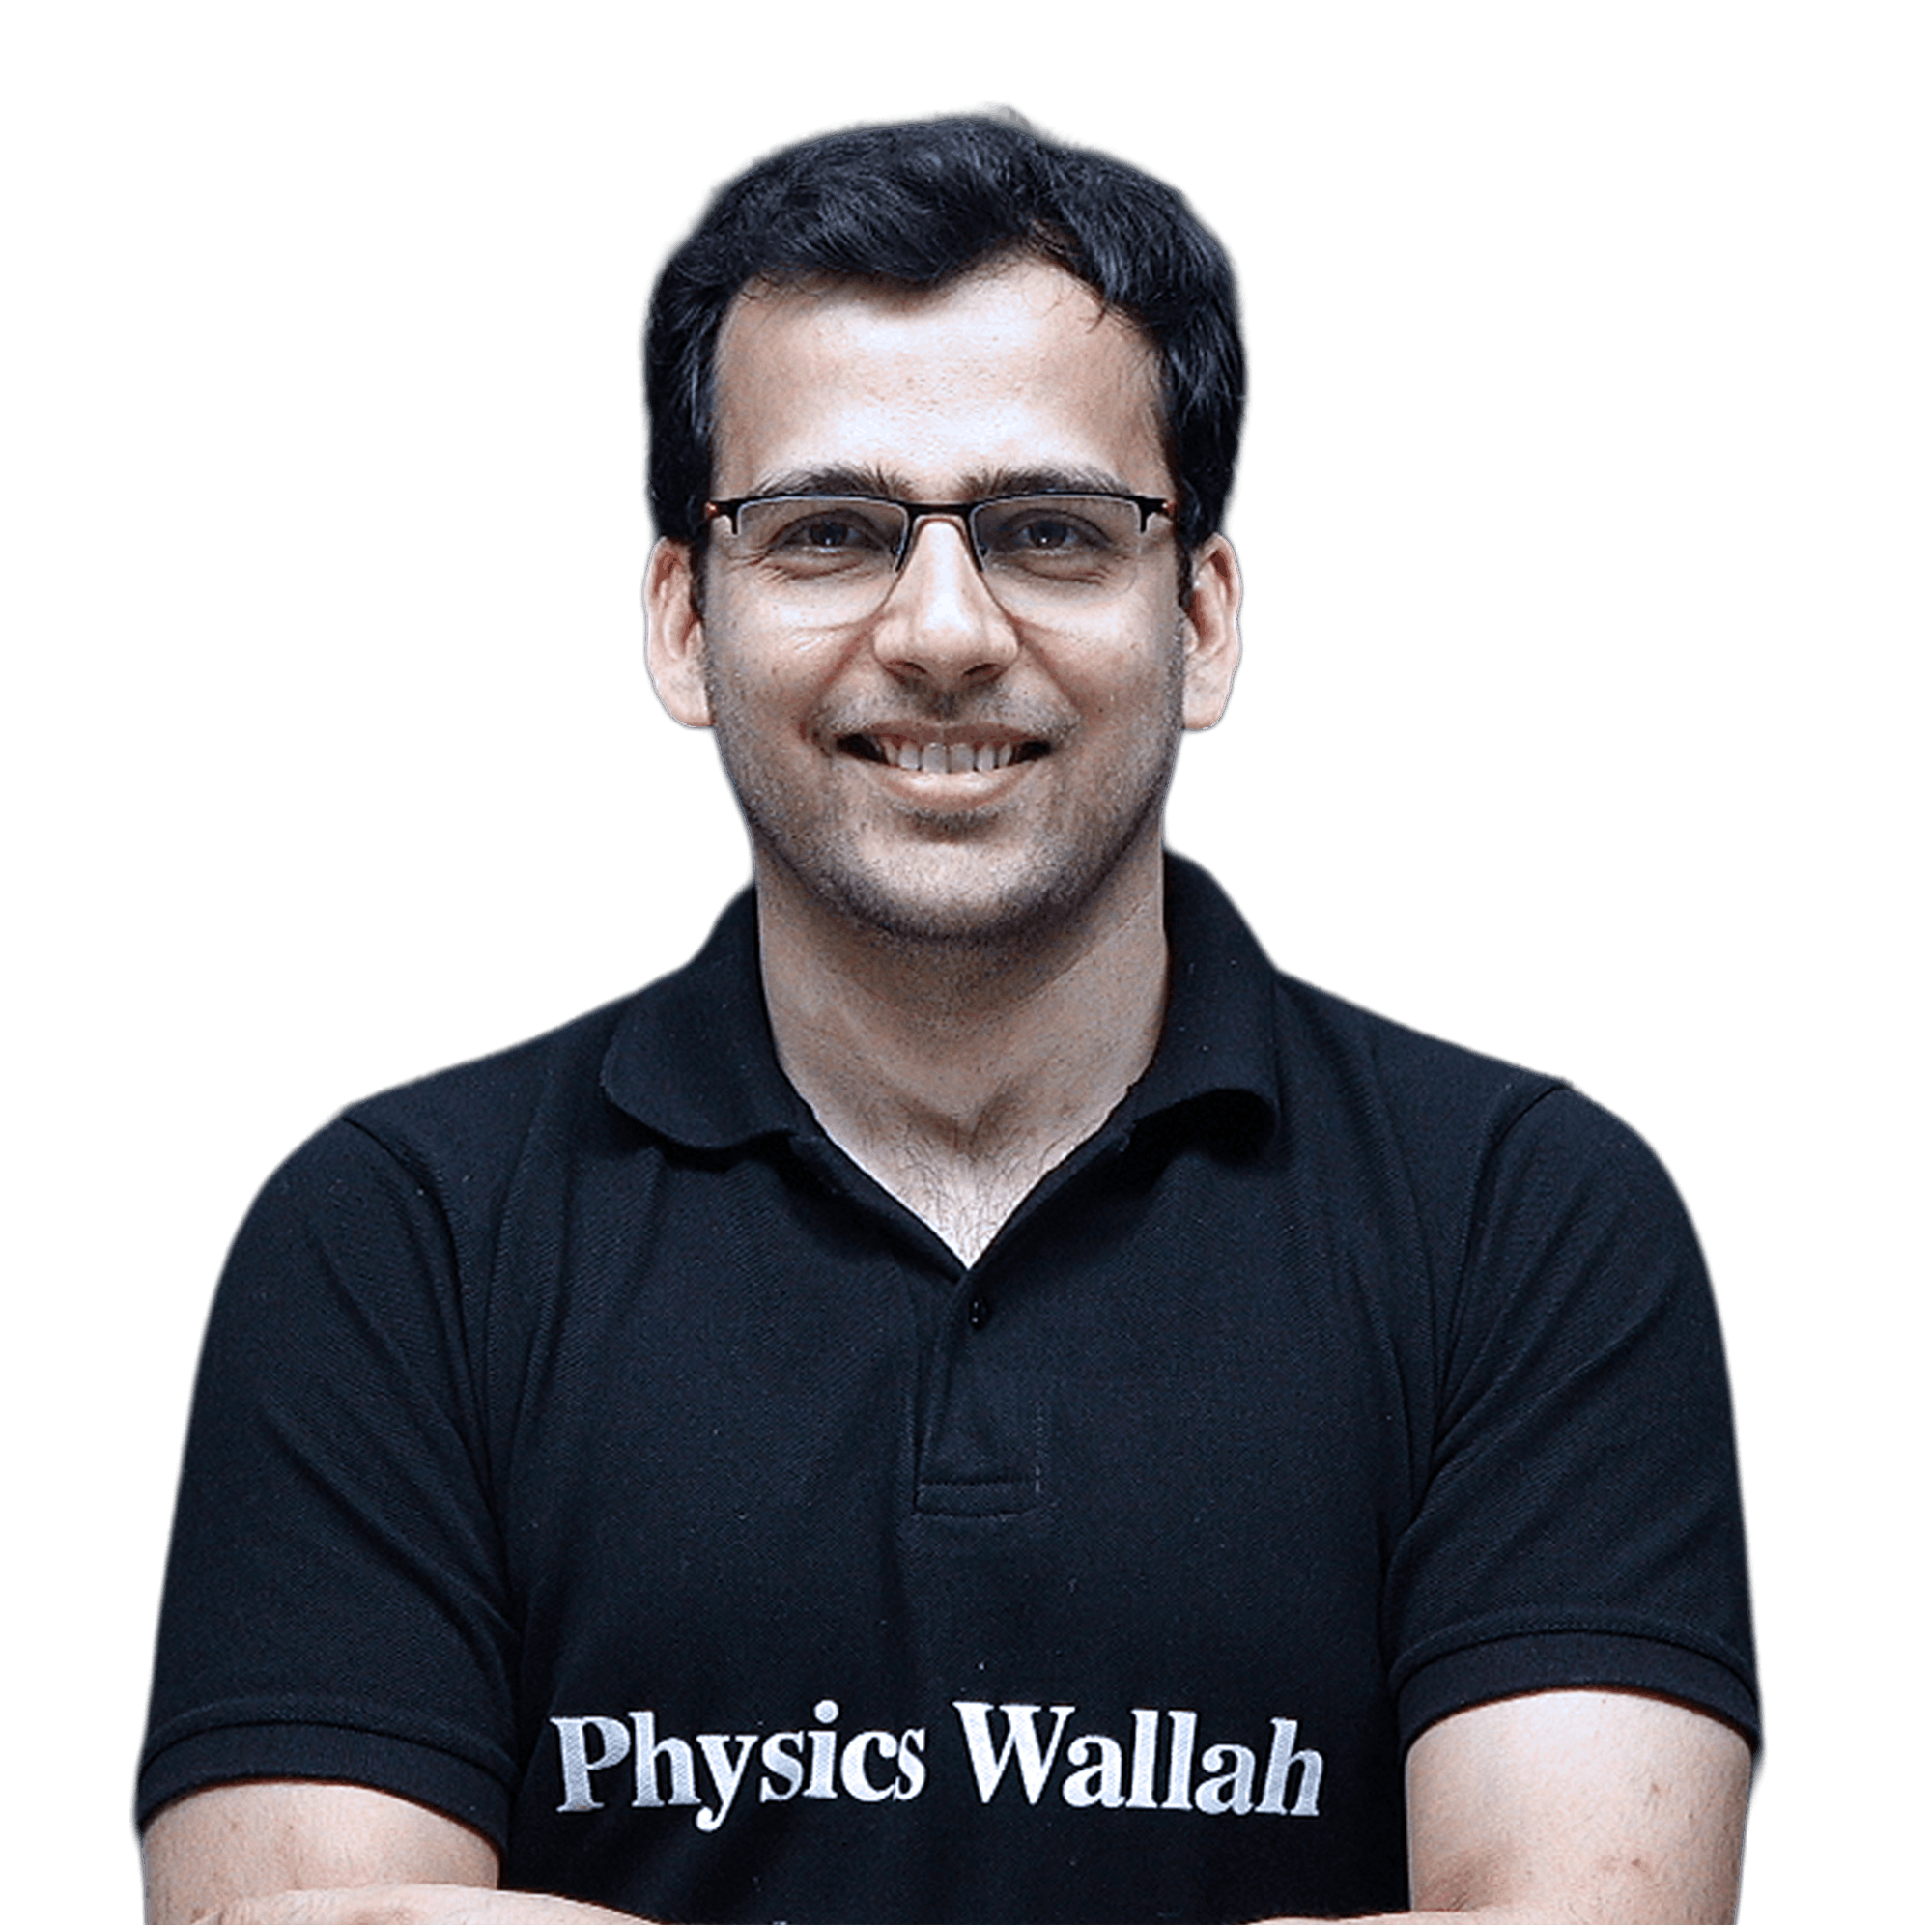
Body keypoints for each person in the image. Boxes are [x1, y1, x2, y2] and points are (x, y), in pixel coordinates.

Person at [134, 109, 1763, 1924]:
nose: (939, 631)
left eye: (1048, 532)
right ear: (682, 624)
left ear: (1205, 619)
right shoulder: (393, 1241)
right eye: (829, 532)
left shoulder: (1527, 1222)